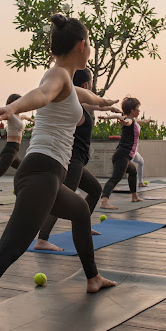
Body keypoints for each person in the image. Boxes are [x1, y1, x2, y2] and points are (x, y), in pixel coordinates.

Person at [0, 14, 117, 331]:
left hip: (48, 174)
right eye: (90, 43)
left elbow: (83, 95)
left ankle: (92, 277)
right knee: (10, 248)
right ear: (82, 46)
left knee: (80, 209)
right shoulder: (56, 77)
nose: (90, 48)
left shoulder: (67, 79)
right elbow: (40, 94)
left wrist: (105, 103)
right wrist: (14, 108)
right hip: (41, 173)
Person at [34, 68, 121, 251]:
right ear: (86, 85)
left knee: (95, 189)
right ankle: (42, 239)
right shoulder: (70, 105)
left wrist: (110, 107)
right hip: (72, 160)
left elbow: (95, 105)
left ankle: (83, 226)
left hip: (78, 160)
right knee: (61, 199)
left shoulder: (78, 104)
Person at [0, 94, 34, 203]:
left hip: (14, 152)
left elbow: (23, 120)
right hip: (9, 151)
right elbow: (3, 113)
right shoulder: (10, 115)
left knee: (25, 170)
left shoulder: (17, 116)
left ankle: (20, 191)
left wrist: (32, 121)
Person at [99, 97, 147, 210]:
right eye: (137, 108)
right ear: (131, 110)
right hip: (122, 155)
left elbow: (118, 116)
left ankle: (134, 196)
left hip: (124, 155)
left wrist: (106, 117)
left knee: (133, 171)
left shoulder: (132, 120)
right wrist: (125, 123)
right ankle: (104, 201)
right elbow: (127, 121)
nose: (139, 111)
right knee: (115, 178)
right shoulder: (129, 120)